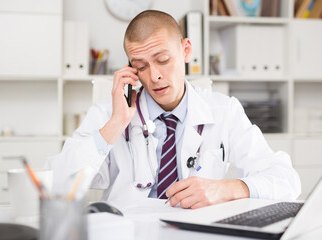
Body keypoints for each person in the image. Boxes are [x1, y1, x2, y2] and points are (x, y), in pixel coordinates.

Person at [47, 10, 301, 209]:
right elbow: (59, 183)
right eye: (141, 66)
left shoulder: (225, 110)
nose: (155, 76)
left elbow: (287, 180)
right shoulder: (107, 114)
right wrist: (115, 124)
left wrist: (226, 189)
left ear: (186, 50)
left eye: (163, 60)